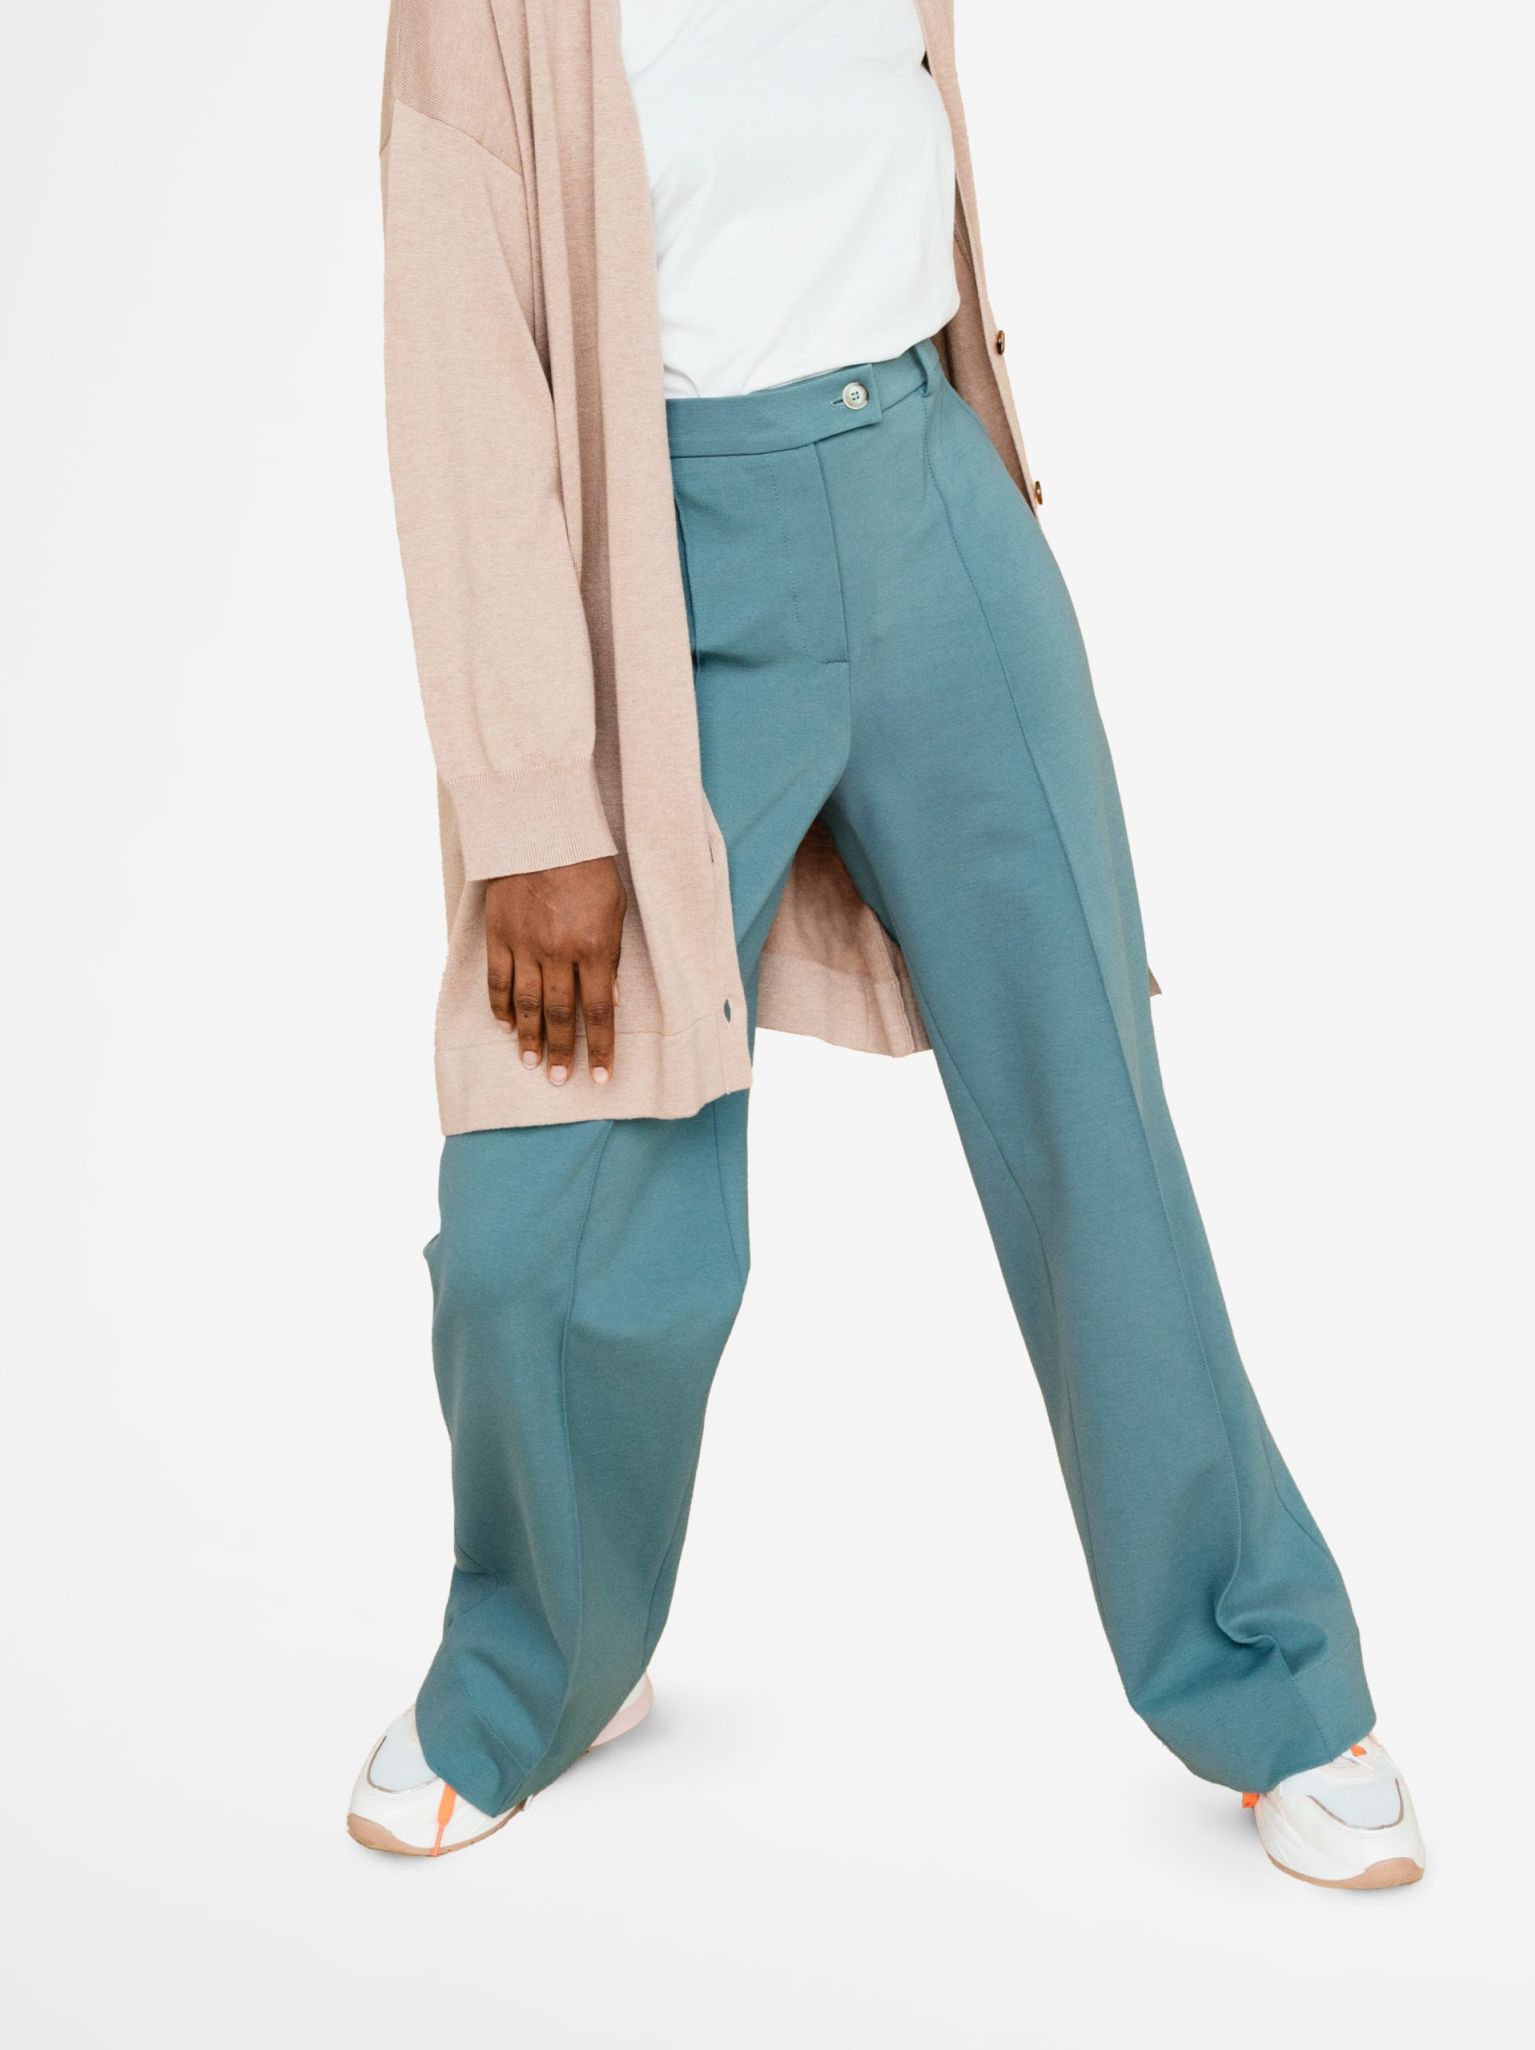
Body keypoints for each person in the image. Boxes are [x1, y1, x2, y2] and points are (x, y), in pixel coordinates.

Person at [348, 0, 1424, 1890]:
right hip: (663, 572)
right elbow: (459, 365)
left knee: (1094, 1112)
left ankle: (1272, 1680)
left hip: (931, 500)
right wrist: (532, 805)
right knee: (544, 1193)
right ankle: (541, 1660)